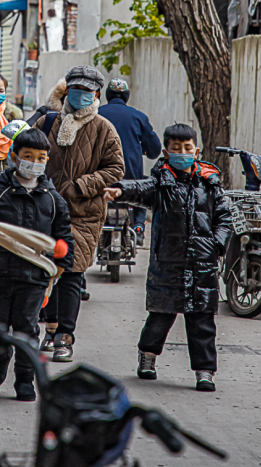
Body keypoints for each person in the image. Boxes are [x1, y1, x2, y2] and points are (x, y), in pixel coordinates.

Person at [104, 123, 231, 392]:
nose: (182, 153)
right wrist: (119, 190)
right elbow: (140, 188)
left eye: (187, 148)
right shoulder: (161, 182)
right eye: (176, 149)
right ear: (165, 152)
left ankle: (204, 371)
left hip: (202, 264)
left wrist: (216, 245)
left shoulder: (210, 183)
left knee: (202, 321)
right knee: (160, 317)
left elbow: (225, 218)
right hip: (167, 263)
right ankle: (147, 356)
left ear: (196, 151)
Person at [0, 127, 74, 401]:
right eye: (27, 156)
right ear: (14, 157)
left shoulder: (52, 198)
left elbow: (64, 235)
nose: (33, 162)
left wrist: (62, 263)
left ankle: (25, 379)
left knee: (26, 328)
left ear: (47, 160)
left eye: (40, 157)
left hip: (34, 277)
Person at [37, 65, 125, 363]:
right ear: (67, 91)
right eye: (76, 89)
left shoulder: (104, 128)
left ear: (96, 94)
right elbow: (24, 152)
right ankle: (49, 328)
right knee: (48, 272)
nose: (81, 95)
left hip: (83, 213)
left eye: (87, 90)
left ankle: (65, 336)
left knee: (71, 273)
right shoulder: (47, 122)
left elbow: (116, 169)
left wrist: (81, 185)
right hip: (45, 211)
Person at [98, 77, 162, 241]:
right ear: (126, 96)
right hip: (129, 178)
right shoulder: (139, 117)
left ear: (107, 95)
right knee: (141, 185)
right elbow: (155, 150)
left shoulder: (96, 114)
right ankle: (138, 228)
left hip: (100, 178)